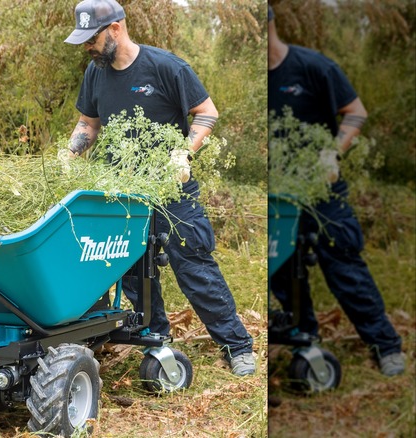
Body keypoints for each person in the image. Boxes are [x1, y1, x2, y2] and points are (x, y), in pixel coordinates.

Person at [62, 0, 256, 376]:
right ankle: (156, 340)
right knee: (132, 269)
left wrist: (183, 153)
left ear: (116, 28)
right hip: (123, 191)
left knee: (194, 267)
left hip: (171, 191)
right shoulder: (95, 72)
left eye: (92, 38)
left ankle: (237, 345)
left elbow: (207, 112)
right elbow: (88, 123)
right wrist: (69, 155)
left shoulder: (166, 67)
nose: (87, 47)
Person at [267, 5, 404, 376]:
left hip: (321, 190)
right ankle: (304, 335)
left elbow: (356, 111)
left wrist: (332, 153)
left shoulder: (313, 67)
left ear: (269, 25)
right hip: (278, 194)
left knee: (343, 262)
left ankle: (386, 345)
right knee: (280, 267)